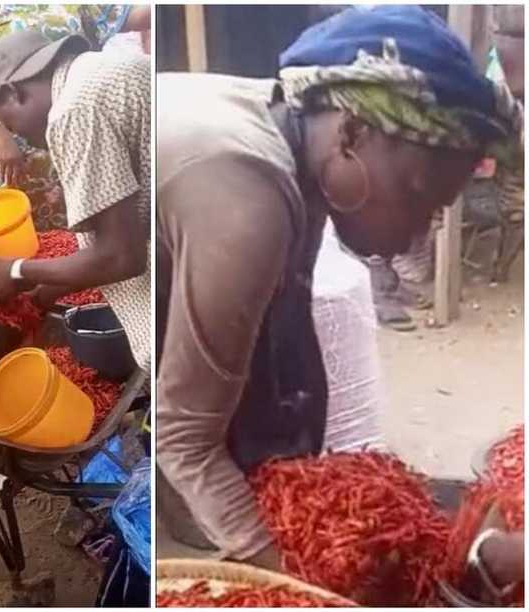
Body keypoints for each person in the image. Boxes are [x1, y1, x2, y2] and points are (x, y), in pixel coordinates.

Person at [153, 6, 519, 600]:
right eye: (420, 196)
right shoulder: (247, 202)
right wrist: (299, 588)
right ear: (351, 135)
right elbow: (183, 437)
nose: (417, 236)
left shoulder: (301, 142)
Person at [0, 30, 152, 376]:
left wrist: (18, 270)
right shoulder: (98, 72)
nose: (20, 137)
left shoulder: (73, 110)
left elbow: (121, 256)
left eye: (8, 124)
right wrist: (40, 298)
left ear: (13, 92)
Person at [0, 4, 150, 230]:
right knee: (6, 246)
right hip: (7, 172)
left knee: (82, 246)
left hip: (72, 160)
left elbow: (134, 15)